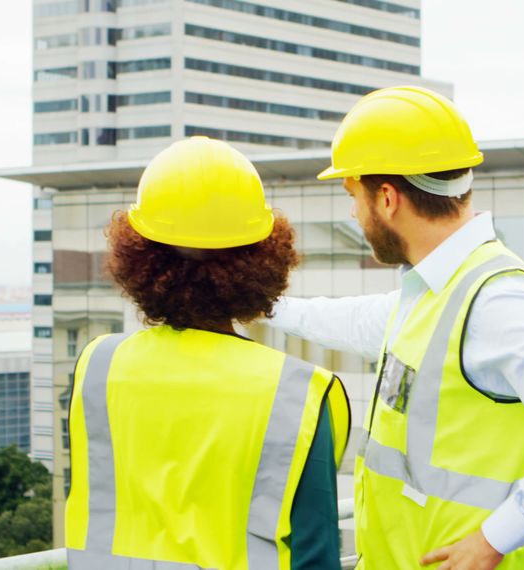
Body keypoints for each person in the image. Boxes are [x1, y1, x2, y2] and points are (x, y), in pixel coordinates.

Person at [267, 86, 524, 569]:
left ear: (386, 198)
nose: (353, 214)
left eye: (352, 195)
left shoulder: (499, 299)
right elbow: (356, 321)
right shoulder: (434, 291)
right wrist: (264, 305)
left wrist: (493, 540)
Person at [64, 137, 351, 569]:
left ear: (139, 257)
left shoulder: (98, 365)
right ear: (263, 260)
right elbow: (316, 553)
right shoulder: (298, 394)